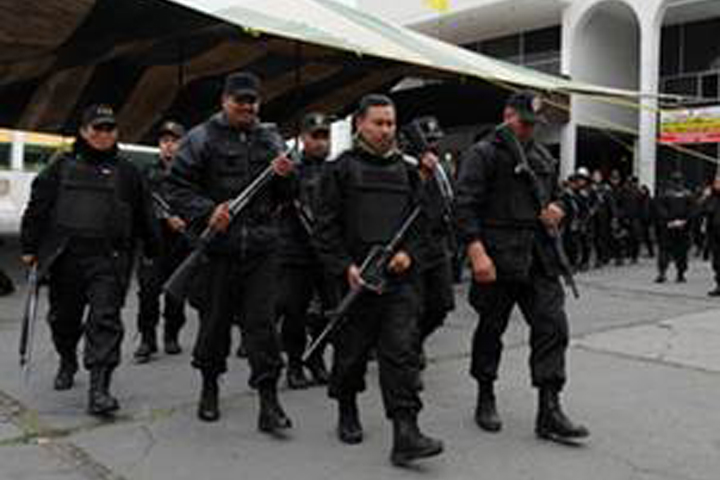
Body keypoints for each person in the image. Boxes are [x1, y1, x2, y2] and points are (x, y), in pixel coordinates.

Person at [314, 94, 443, 466]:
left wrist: (409, 255)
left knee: (401, 354)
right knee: (351, 355)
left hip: (398, 282)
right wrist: (345, 267)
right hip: (355, 282)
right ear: (360, 124)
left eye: (391, 123)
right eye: (379, 123)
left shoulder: (408, 171)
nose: (386, 130)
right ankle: (347, 408)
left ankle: (406, 432)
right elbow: (325, 229)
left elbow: (425, 224)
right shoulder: (339, 170)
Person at [456, 91, 589, 443]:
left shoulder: (541, 156)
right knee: (491, 329)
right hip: (497, 257)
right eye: (524, 122)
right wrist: (476, 251)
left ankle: (549, 409)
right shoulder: (483, 154)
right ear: (507, 116)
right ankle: (485, 394)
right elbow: (464, 205)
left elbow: (558, 196)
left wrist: (559, 208)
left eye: (534, 124)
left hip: (538, 257)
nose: (529, 130)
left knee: (552, 327)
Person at [166, 72, 293, 433]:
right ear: (225, 101)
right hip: (217, 250)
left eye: (252, 101)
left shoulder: (271, 139)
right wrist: (208, 211)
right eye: (240, 100)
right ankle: (210, 389)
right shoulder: (200, 138)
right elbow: (177, 188)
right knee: (214, 326)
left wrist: (287, 175)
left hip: (262, 249)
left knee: (263, 328)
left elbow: (289, 196)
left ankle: (269, 403)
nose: (247, 107)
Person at [20, 104, 159, 416]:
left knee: (105, 320)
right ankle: (67, 359)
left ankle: (100, 388)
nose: (104, 134)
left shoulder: (128, 172)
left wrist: (152, 249)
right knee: (63, 320)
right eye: (98, 128)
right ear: (83, 131)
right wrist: (30, 248)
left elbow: (144, 213)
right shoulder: (61, 166)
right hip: (66, 258)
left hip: (109, 259)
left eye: (110, 128)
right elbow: (38, 206)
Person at [275, 112, 334, 389]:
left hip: (327, 252)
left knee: (330, 310)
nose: (321, 142)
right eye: (316, 136)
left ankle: (316, 358)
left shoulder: (335, 171)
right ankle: (295, 364)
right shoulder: (290, 169)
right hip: (295, 251)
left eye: (325, 136)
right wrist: (282, 177)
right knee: (294, 312)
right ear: (302, 139)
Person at [134, 120, 189, 363]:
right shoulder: (146, 172)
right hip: (152, 243)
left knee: (176, 294)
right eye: (165, 141)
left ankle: (171, 335)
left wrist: (184, 218)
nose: (169, 145)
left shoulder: (190, 173)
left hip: (180, 244)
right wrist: (165, 217)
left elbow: (197, 202)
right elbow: (141, 204)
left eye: (174, 141)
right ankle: (147, 340)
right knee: (148, 294)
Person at [653, 171, 694, 283]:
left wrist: (672, 220)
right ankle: (676, 273)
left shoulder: (666, 194)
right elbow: (692, 210)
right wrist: (682, 221)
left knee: (669, 251)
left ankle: (668, 273)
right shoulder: (686, 194)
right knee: (677, 251)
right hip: (677, 227)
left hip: (673, 227)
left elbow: (660, 209)